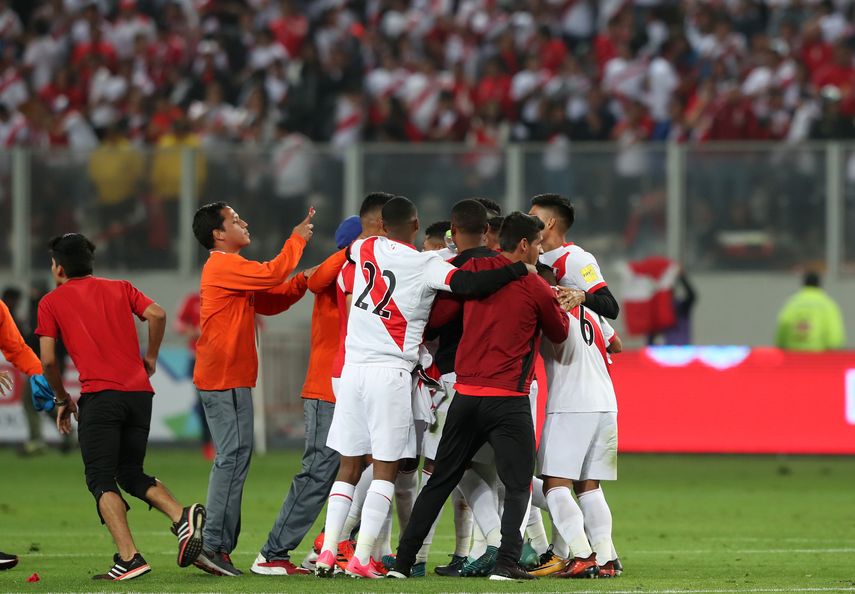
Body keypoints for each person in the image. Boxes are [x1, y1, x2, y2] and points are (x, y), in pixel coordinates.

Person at [316, 196, 534, 579]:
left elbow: (353, 256)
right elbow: (468, 283)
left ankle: (327, 553)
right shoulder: (426, 264)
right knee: (388, 470)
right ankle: (363, 557)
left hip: (352, 370)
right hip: (392, 372)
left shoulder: (363, 247)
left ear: (382, 226)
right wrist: (515, 269)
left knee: (349, 466)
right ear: (416, 224)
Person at [391, 212, 570, 581]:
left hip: (466, 395)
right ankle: (506, 563)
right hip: (508, 399)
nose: (539, 250)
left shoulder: (474, 275)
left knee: (440, 480)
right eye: (537, 244)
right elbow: (559, 332)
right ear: (524, 245)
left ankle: (404, 563)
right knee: (518, 483)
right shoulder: (533, 284)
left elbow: (438, 316)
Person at [35, 233, 206, 581]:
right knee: (129, 473)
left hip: (101, 398)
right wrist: (151, 358)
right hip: (139, 395)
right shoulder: (120, 287)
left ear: (58, 267)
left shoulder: (51, 302)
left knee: (100, 478)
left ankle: (129, 558)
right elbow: (156, 314)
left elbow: (49, 362)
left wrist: (61, 399)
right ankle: (181, 516)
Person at [192, 202, 315, 577]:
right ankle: (211, 544)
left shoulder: (232, 270)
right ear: (218, 234)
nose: (244, 223)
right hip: (224, 376)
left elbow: (268, 300)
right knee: (231, 458)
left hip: (232, 376)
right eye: (234, 220)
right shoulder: (223, 264)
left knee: (236, 457)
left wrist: (303, 281)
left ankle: (218, 546)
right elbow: (273, 272)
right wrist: (297, 240)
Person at [251, 214, 362, 577]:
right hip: (326, 386)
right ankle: (272, 553)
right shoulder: (338, 267)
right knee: (320, 470)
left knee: (361, 470)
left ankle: (327, 546)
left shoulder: (367, 272)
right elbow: (315, 280)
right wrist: (348, 254)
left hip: (357, 382)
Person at [420, 199, 496, 576]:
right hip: (502, 381)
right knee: (496, 473)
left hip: (456, 378)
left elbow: (436, 321)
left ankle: (415, 558)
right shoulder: (510, 271)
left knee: (441, 467)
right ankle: (477, 551)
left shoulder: (452, 272)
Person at [538, 301, 622, 578]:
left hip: (570, 403)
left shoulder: (542, 298)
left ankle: (584, 557)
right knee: (589, 487)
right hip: (606, 403)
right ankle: (607, 560)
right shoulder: (590, 307)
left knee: (555, 485)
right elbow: (616, 344)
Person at [529, 194, 619, 320]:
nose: (527, 223)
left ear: (550, 223)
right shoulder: (531, 256)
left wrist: (581, 296)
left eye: (533, 218)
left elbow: (611, 306)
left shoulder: (577, 259)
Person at [174, 290, 213, 459]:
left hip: (222, 358)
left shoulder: (223, 296)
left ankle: (226, 445)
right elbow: (178, 324)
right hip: (198, 358)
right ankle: (208, 445)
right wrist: (190, 331)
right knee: (204, 402)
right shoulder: (192, 300)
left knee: (223, 403)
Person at [775, 271, 846, 351]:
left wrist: (781, 347)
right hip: (818, 357)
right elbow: (834, 335)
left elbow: (783, 328)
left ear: (804, 284)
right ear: (819, 285)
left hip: (794, 355)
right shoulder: (827, 304)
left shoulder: (792, 303)